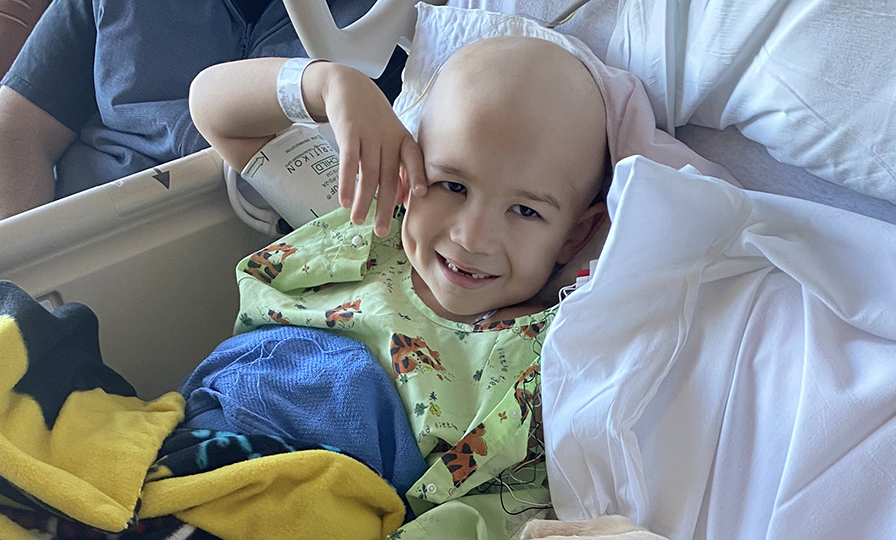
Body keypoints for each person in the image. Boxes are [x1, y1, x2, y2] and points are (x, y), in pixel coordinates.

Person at [188, 36, 610, 537]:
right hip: (206, 445)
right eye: (452, 185)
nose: (471, 236)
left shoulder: (549, 364)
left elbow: (490, 518)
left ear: (576, 234)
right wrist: (328, 85)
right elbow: (214, 110)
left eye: (525, 211)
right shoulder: (369, 217)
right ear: (408, 162)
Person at [0, 0, 399, 237]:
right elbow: (11, 133)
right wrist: (12, 269)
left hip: (251, 281)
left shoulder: (400, 23)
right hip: (62, 243)